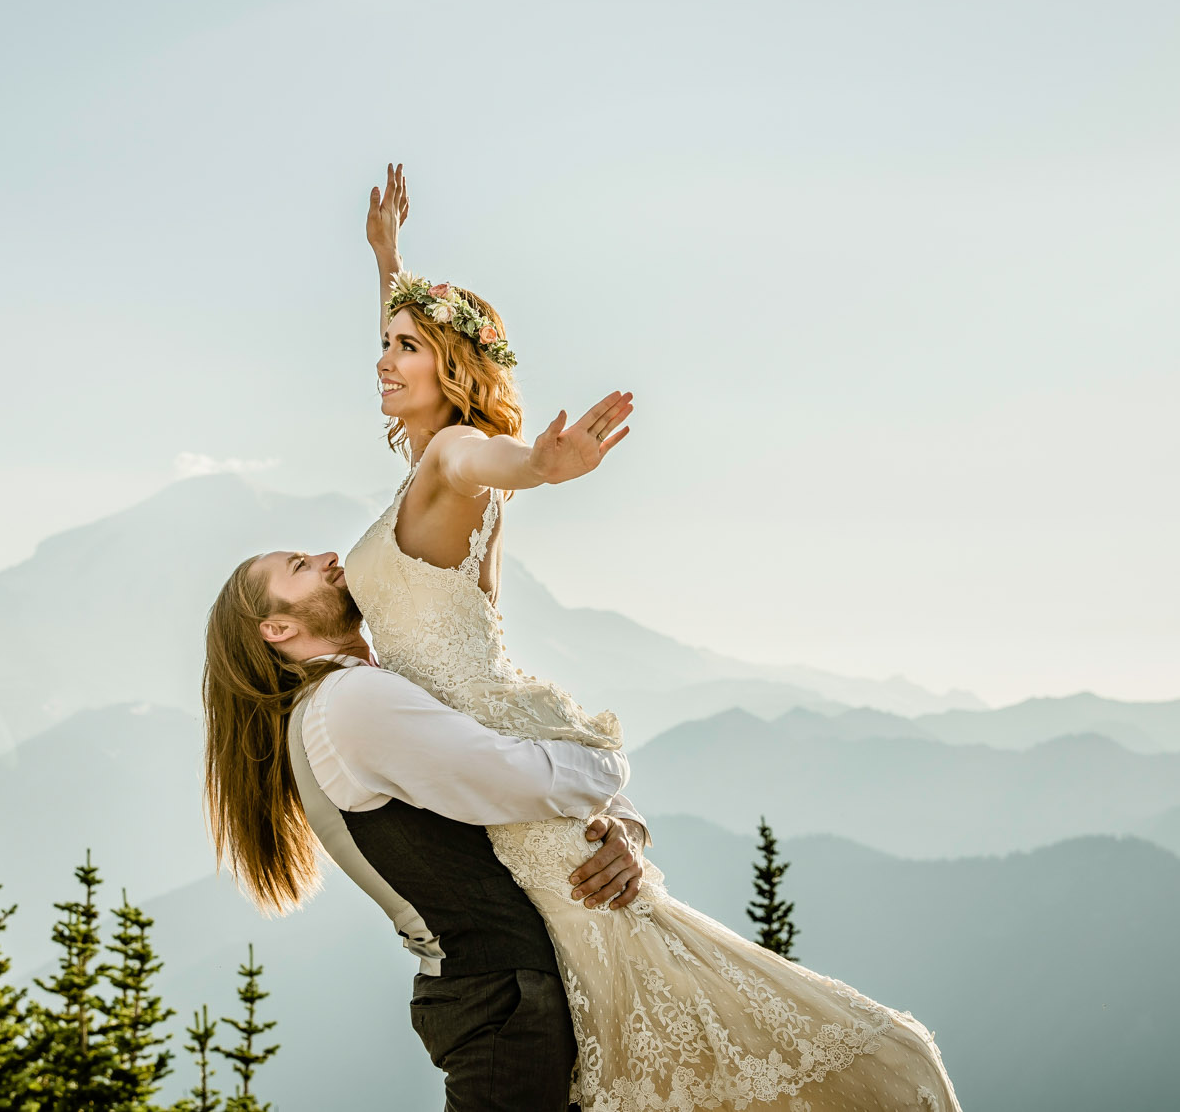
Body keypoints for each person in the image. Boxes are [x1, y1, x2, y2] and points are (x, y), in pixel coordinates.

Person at [338, 163, 963, 1111]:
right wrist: (391, 263)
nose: (383, 358)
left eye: (405, 347)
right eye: (384, 342)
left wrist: (543, 464)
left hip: (516, 803)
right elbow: (435, 363)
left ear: (453, 368)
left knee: (654, 994)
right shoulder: (425, 465)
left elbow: (492, 455)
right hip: (492, 780)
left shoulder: (450, 458)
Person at [202, 548, 654, 1112]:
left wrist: (626, 823)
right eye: (299, 566)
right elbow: (515, 777)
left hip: (497, 991)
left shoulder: (348, 695)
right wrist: (612, 765)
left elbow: (516, 775)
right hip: (500, 997)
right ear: (278, 628)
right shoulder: (350, 703)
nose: (327, 556)